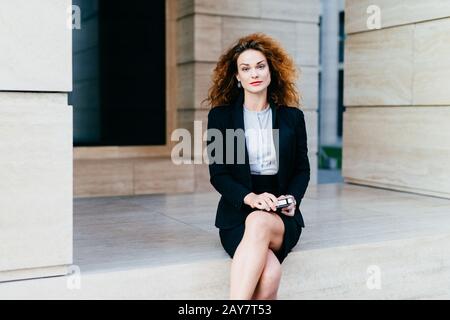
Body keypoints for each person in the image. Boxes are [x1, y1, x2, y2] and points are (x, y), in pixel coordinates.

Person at [204, 33, 310, 300]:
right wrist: (250, 197)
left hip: (280, 216)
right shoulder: (221, 117)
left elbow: (302, 169)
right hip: (237, 212)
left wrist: (292, 199)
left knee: (261, 221)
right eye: (245, 68)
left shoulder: (292, 118)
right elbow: (219, 174)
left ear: (271, 71)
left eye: (260, 66)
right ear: (237, 77)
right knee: (270, 273)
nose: (254, 73)